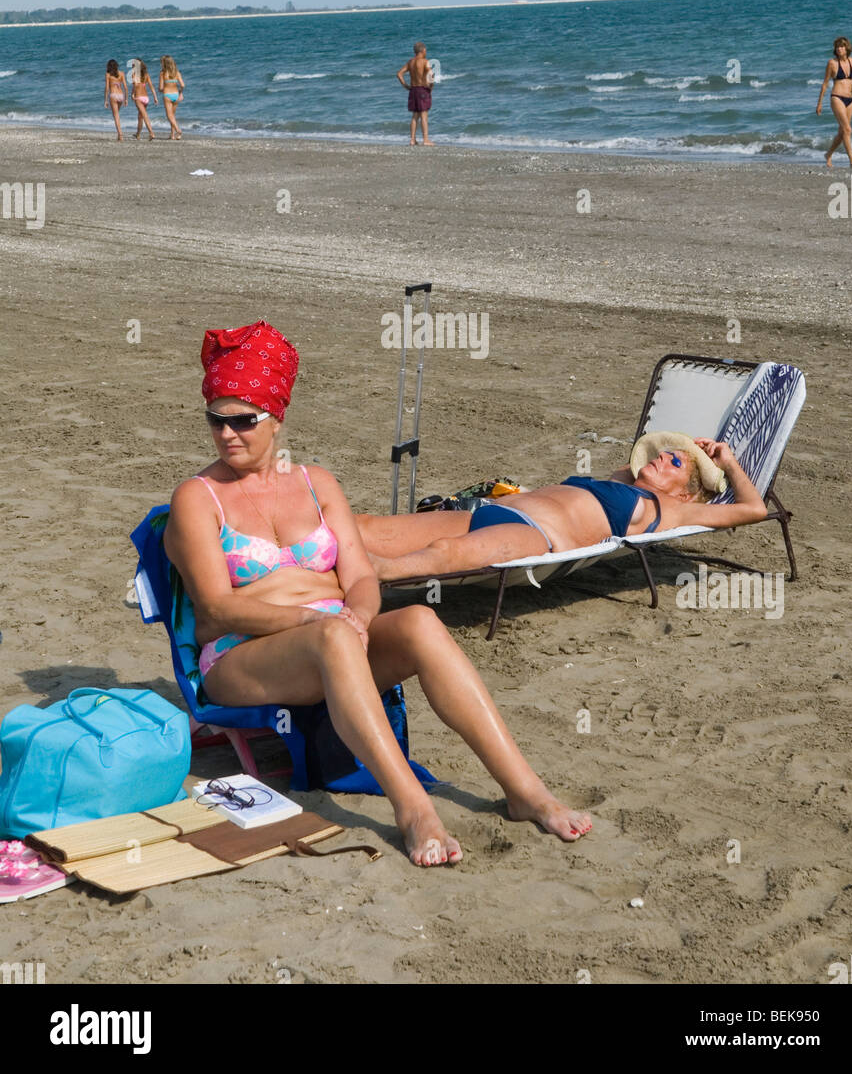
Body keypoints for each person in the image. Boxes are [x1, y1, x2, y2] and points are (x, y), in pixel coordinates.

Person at [163, 320, 592, 868]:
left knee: (418, 622)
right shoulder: (198, 498)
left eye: (243, 420)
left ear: (277, 418)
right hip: (241, 654)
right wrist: (318, 622)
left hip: (335, 637)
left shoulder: (317, 483)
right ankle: (412, 807)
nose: (227, 434)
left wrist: (360, 616)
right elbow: (216, 609)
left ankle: (523, 789)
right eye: (216, 420)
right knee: (333, 637)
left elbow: (362, 577)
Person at [358, 437, 767, 581]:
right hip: (490, 511)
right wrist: (685, 448)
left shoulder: (675, 511)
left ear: (687, 492)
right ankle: (300, 549)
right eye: (664, 454)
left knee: (447, 553)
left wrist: (725, 463)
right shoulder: (621, 479)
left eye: (675, 463)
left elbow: (754, 509)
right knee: (370, 527)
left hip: (537, 537)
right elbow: (641, 452)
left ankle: (374, 574)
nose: (662, 458)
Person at [817, 36, 852, 169]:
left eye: (841, 46)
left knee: (842, 132)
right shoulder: (832, 63)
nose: (839, 49)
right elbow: (825, 84)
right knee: (848, 129)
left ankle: (828, 154)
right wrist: (819, 103)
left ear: (846, 47)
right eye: (837, 47)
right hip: (837, 97)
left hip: (851, 99)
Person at [396, 41, 434, 146]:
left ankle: (412, 140)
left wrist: (406, 86)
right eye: (425, 50)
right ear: (422, 51)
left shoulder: (410, 62)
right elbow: (432, 75)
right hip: (422, 89)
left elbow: (399, 74)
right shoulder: (425, 62)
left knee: (415, 116)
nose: (426, 52)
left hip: (413, 90)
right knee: (424, 115)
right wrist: (431, 86)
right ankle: (425, 140)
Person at [131, 59, 158, 141]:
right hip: (146, 98)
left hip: (138, 98)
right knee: (140, 116)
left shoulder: (134, 74)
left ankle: (151, 133)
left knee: (144, 116)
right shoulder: (146, 75)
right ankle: (138, 134)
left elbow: (135, 85)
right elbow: (151, 87)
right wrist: (155, 97)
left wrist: (132, 94)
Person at [159, 56, 185, 139]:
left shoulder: (162, 73)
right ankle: (172, 135)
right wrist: (181, 94)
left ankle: (178, 130)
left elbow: (160, 88)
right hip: (176, 95)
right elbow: (182, 85)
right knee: (173, 115)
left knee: (169, 116)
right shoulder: (177, 73)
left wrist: (160, 90)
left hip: (167, 95)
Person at [103, 60, 127, 140]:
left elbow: (107, 88)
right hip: (121, 95)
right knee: (117, 115)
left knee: (116, 116)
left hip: (113, 95)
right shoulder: (122, 73)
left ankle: (120, 135)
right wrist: (126, 99)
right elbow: (126, 88)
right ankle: (119, 134)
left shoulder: (108, 74)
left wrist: (106, 100)